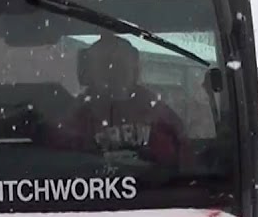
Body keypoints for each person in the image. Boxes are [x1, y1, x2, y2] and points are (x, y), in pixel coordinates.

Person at [49, 33, 188, 169]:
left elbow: (180, 164)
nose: (112, 72)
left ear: (135, 71)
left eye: (120, 65)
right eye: (104, 65)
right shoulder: (77, 115)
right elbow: (60, 165)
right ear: (86, 73)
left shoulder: (154, 111)